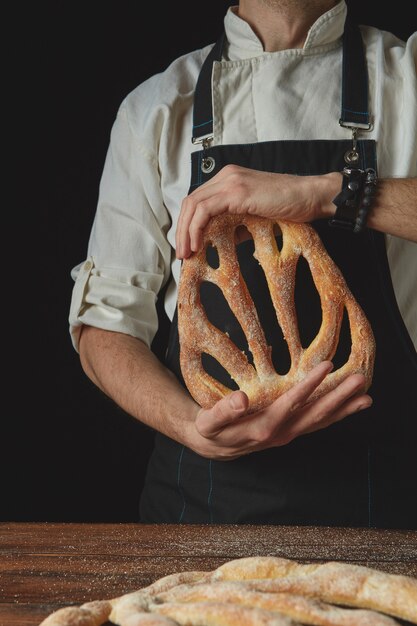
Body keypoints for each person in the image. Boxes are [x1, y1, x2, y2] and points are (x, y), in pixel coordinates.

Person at [68, 0, 417, 527]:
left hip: (390, 510)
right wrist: (192, 427)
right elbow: (105, 328)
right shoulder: (158, 109)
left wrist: (331, 193)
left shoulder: (407, 78)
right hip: (204, 512)